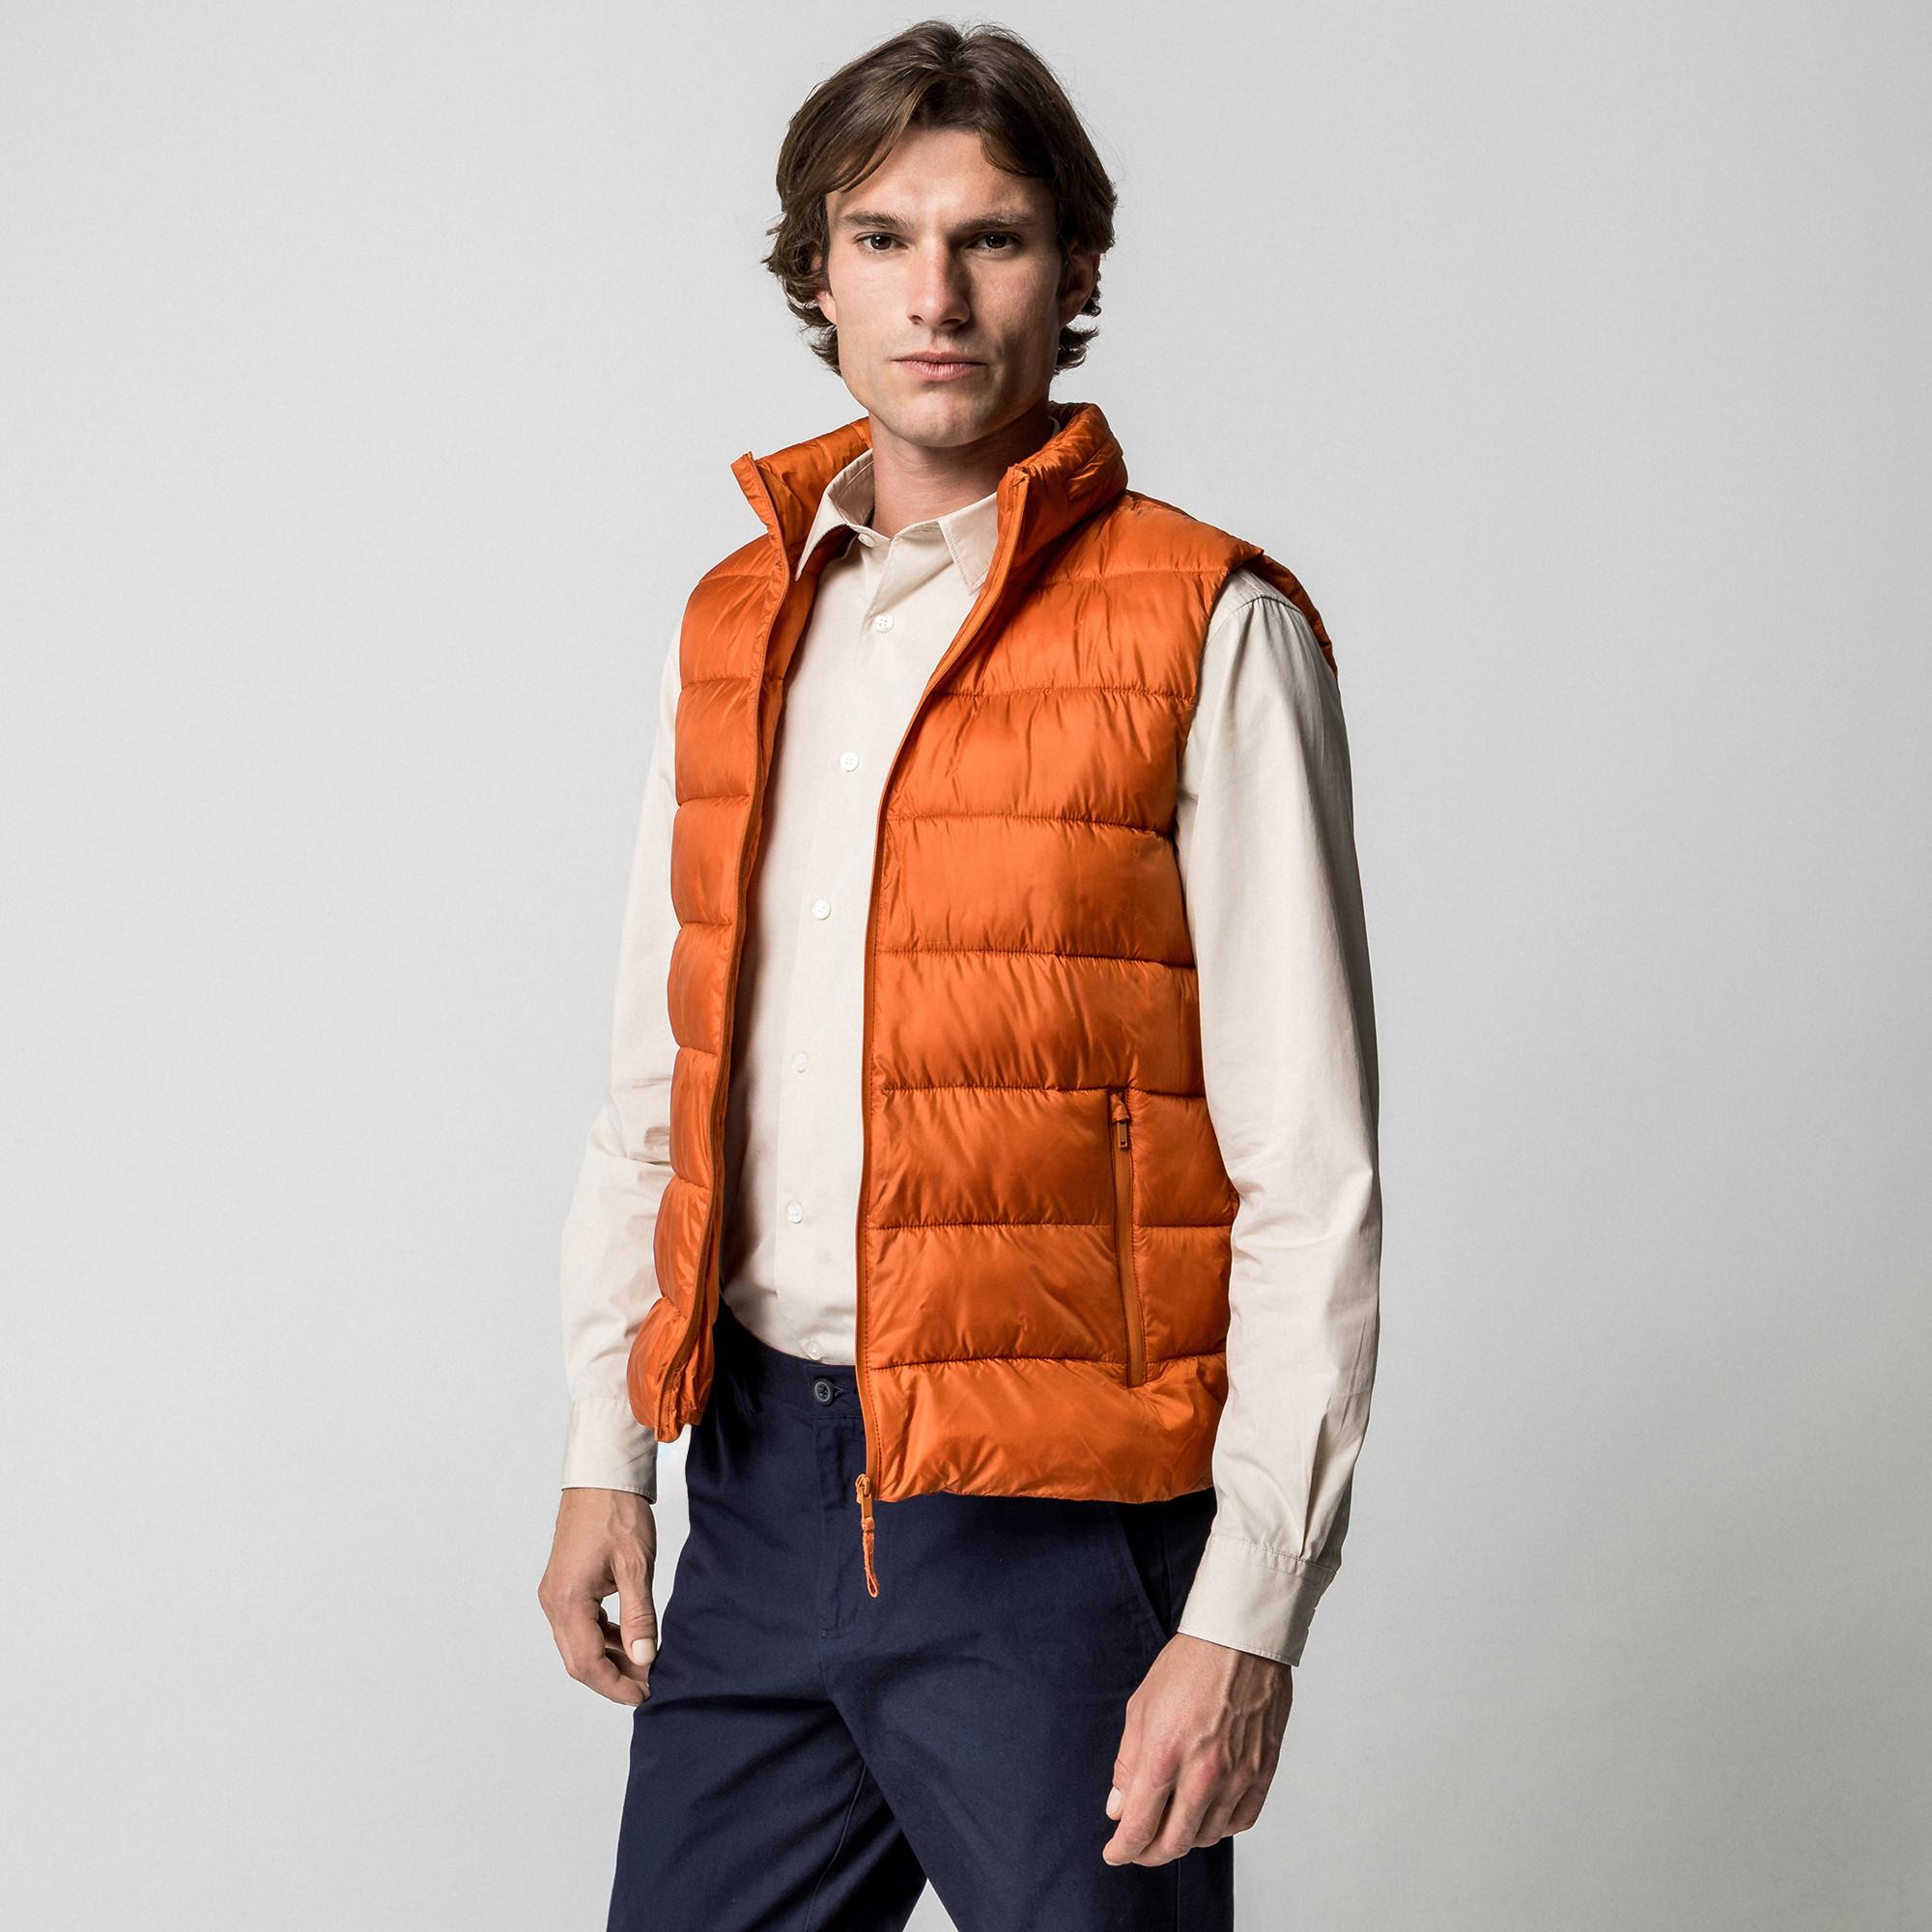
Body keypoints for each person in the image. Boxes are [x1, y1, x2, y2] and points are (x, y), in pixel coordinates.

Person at [536, 21, 1381, 1930]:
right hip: (759, 1486)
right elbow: (662, 1077)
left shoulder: (1209, 623)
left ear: (1073, 272)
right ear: (816, 273)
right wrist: (607, 1447)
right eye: (883, 238)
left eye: (991, 238)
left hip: (1062, 1540)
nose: (934, 295)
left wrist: (1249, 1609)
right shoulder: (737, 618)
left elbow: (1310, 1169)